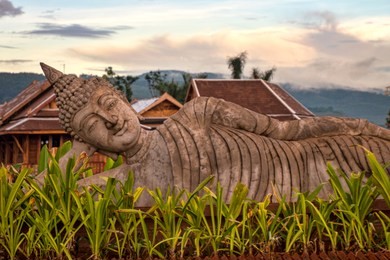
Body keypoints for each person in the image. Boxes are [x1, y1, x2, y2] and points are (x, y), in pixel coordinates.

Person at [40, 63, 390, 206]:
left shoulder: (199, 112)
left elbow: (289, 130)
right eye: (94, 125)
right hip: (305, 207)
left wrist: (363, 128)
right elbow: (38, 196)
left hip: (334, 157)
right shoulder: (130, 182)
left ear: (124, 100)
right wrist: (76, 152)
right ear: (90, 142)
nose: (113, 121)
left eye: (109, 104)